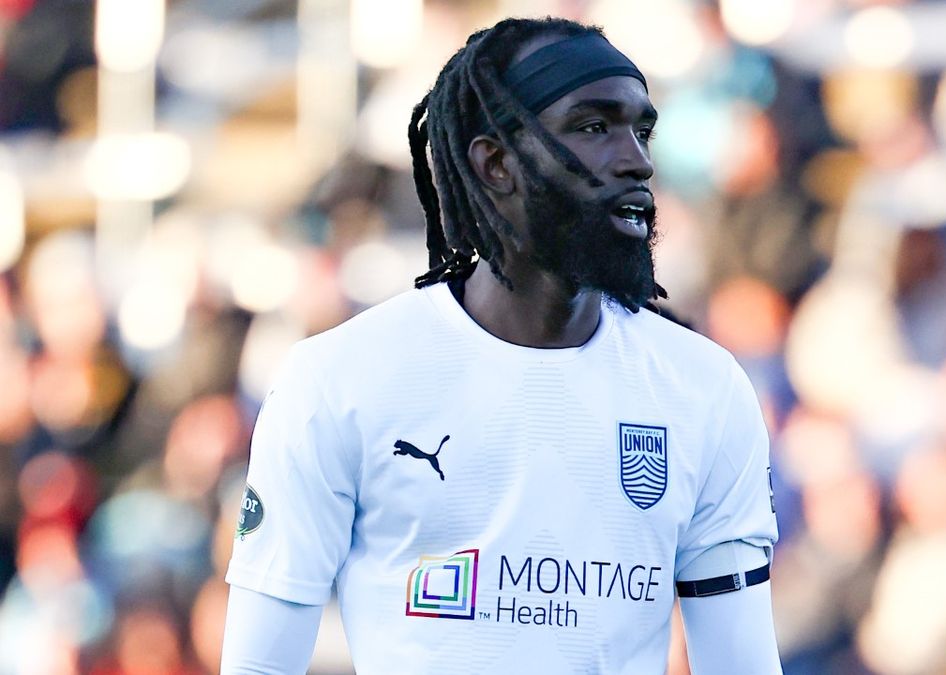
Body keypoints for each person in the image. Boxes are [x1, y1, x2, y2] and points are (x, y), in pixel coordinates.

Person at [220, 16, 781, 674]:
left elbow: (741, 664)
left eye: (641, 129)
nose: (636, 159)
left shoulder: (704, 389)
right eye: (594, 127)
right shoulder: (339, 379)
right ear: (495, 163)